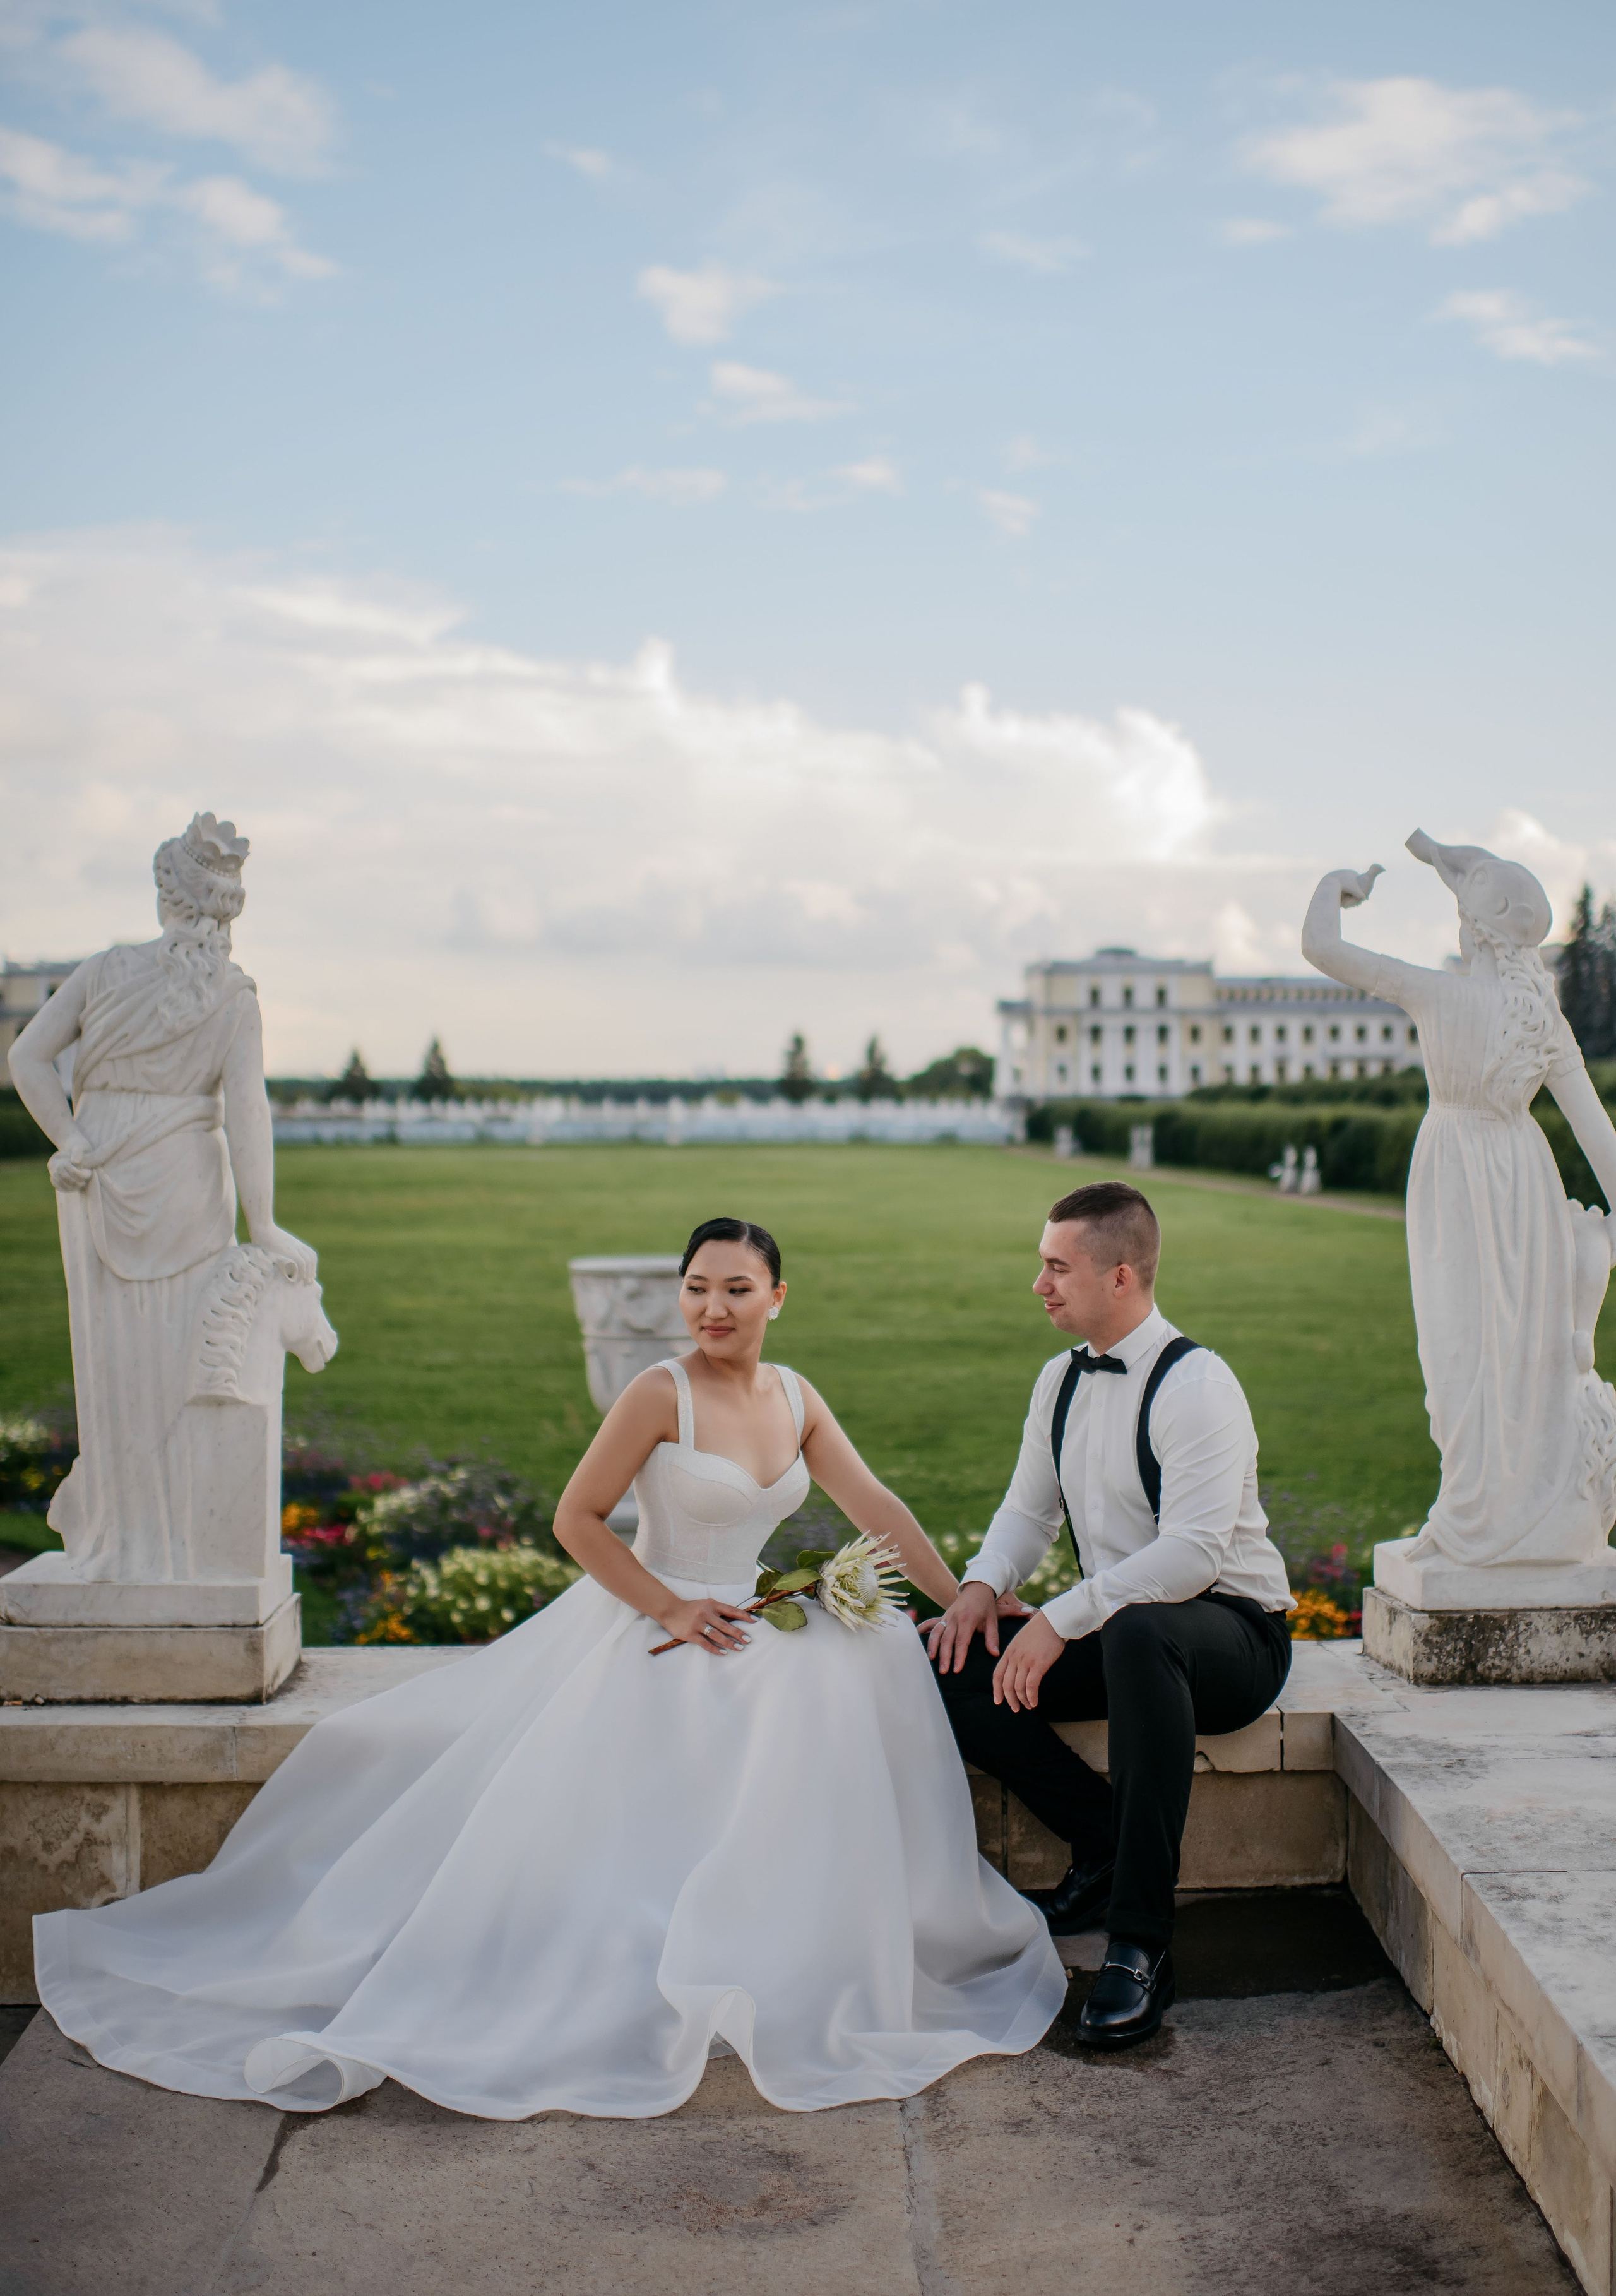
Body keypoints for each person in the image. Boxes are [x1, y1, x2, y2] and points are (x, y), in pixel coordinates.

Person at [35, 1216, 1065, 2118]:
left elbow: (875, 1506)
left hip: (752, 1612)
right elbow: (576, 1519)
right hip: (651, 1616)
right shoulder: (659, 1392)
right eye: (698, 1287)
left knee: (864, 1663)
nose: (713, 1306)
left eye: (736, 1288)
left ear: (777, 1297)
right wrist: (670, 1603)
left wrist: (961, 1591)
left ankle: (794, 1950)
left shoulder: (797, 1396)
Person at [925, 1181, 1293, 2050]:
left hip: (1230, 1634)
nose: (1039, 1284)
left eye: (1057, 1267)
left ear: (1120, 1276)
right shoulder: (1059, 1378)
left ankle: (1140, 1945)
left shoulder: (1198, 1385)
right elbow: (1029, 1511)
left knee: (1136, 1626)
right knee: (947, 1661)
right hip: (1122, 1632)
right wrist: (979, 1588)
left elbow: (1196, 1554)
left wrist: (1059, 1617)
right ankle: (1101, 1845)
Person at [5, 811, 317, 1581]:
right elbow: (248, 1115)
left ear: (166, 898)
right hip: (181, 1178)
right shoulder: (235, 994)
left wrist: (71, 1140)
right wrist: (265, 1221)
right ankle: (171, 1544)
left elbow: (27, 1059)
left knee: (117, 1364)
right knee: (175, 1363)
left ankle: (126, 1539)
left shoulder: (106, 971)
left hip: (103, 1172)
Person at [1302, 838, 1616, 1569]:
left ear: (1474, 925)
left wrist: (1335, 885)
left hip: (1454, 1176)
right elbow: (1596, 1131)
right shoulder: (1541, 1013)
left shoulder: (1438, 992)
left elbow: (1322, 945)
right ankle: (1501, 1519)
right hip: (1522, 1179)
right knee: (1518, 1357)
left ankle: (1478, 1520)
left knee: (1461, 1355)